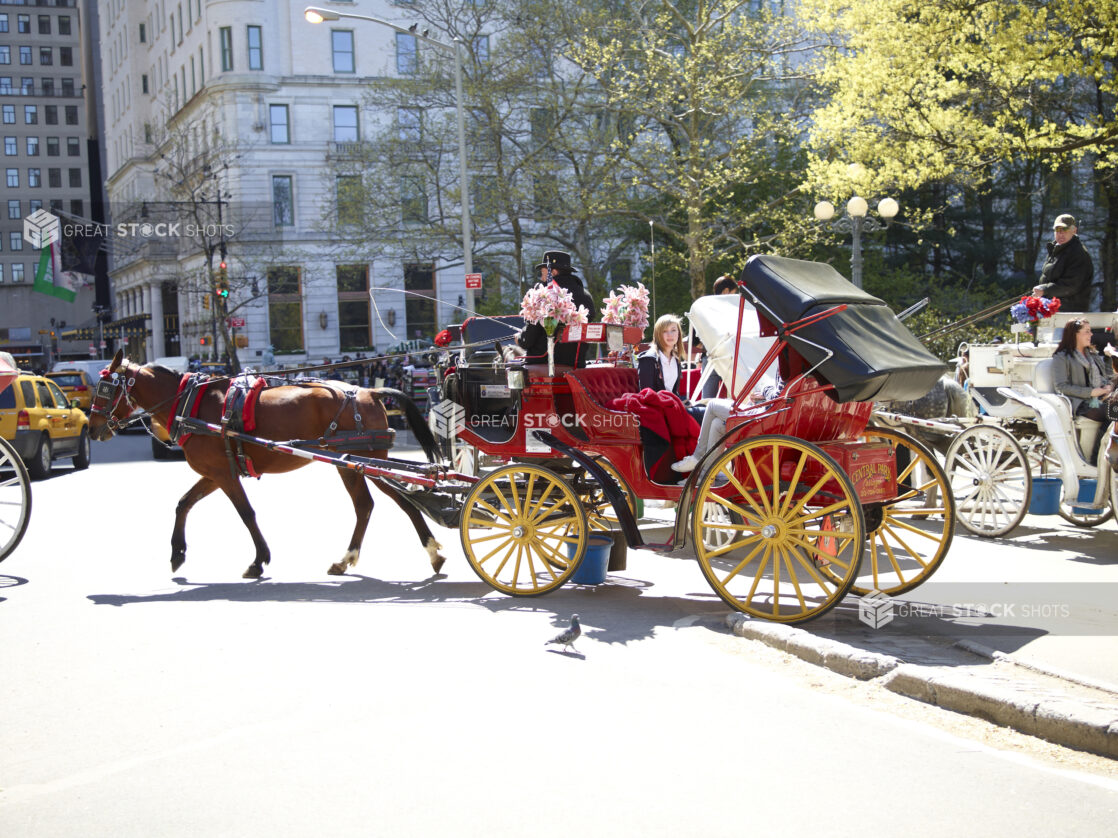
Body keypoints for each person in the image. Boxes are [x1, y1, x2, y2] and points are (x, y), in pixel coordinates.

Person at [515, 251, 596, 368]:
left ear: (552, 272)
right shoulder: (586, 296)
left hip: (543, 362)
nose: (542, 278)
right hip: (577, 363)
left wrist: (519, 338)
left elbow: (528, 340)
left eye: (543, 274)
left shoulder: (544, 295)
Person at [1051, 317, 1112, 459]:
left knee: (1113, 410)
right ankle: (1097, 456)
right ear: (1074, 334)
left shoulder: (1092, 354)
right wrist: (1090, 392)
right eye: (1087, 331)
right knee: (1113, 412)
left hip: (1099, 398)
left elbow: (1103, 376)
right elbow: (1061, 386)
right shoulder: (1062, 356)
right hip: (1080, 403)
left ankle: (1104, 453)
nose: (1091, 335)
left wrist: (1107, 385)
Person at [1033, 214, 1094, 311]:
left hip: (1070, 313)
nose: (1061, 234)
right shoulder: (1056, 250)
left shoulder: (1078, 253)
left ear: (1074, 231)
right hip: (1051, 310)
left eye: (1065, 230)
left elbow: (1071, 285)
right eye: (1057, 230)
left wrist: (1045, 290)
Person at [702, 275, 738, 399]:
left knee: (707, 398)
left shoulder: (704, 307)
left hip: (711, 357)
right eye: (734, 293)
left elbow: (696, 341)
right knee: (734, 398)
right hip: (730, 358)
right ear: (726, 291)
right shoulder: (733, 310)